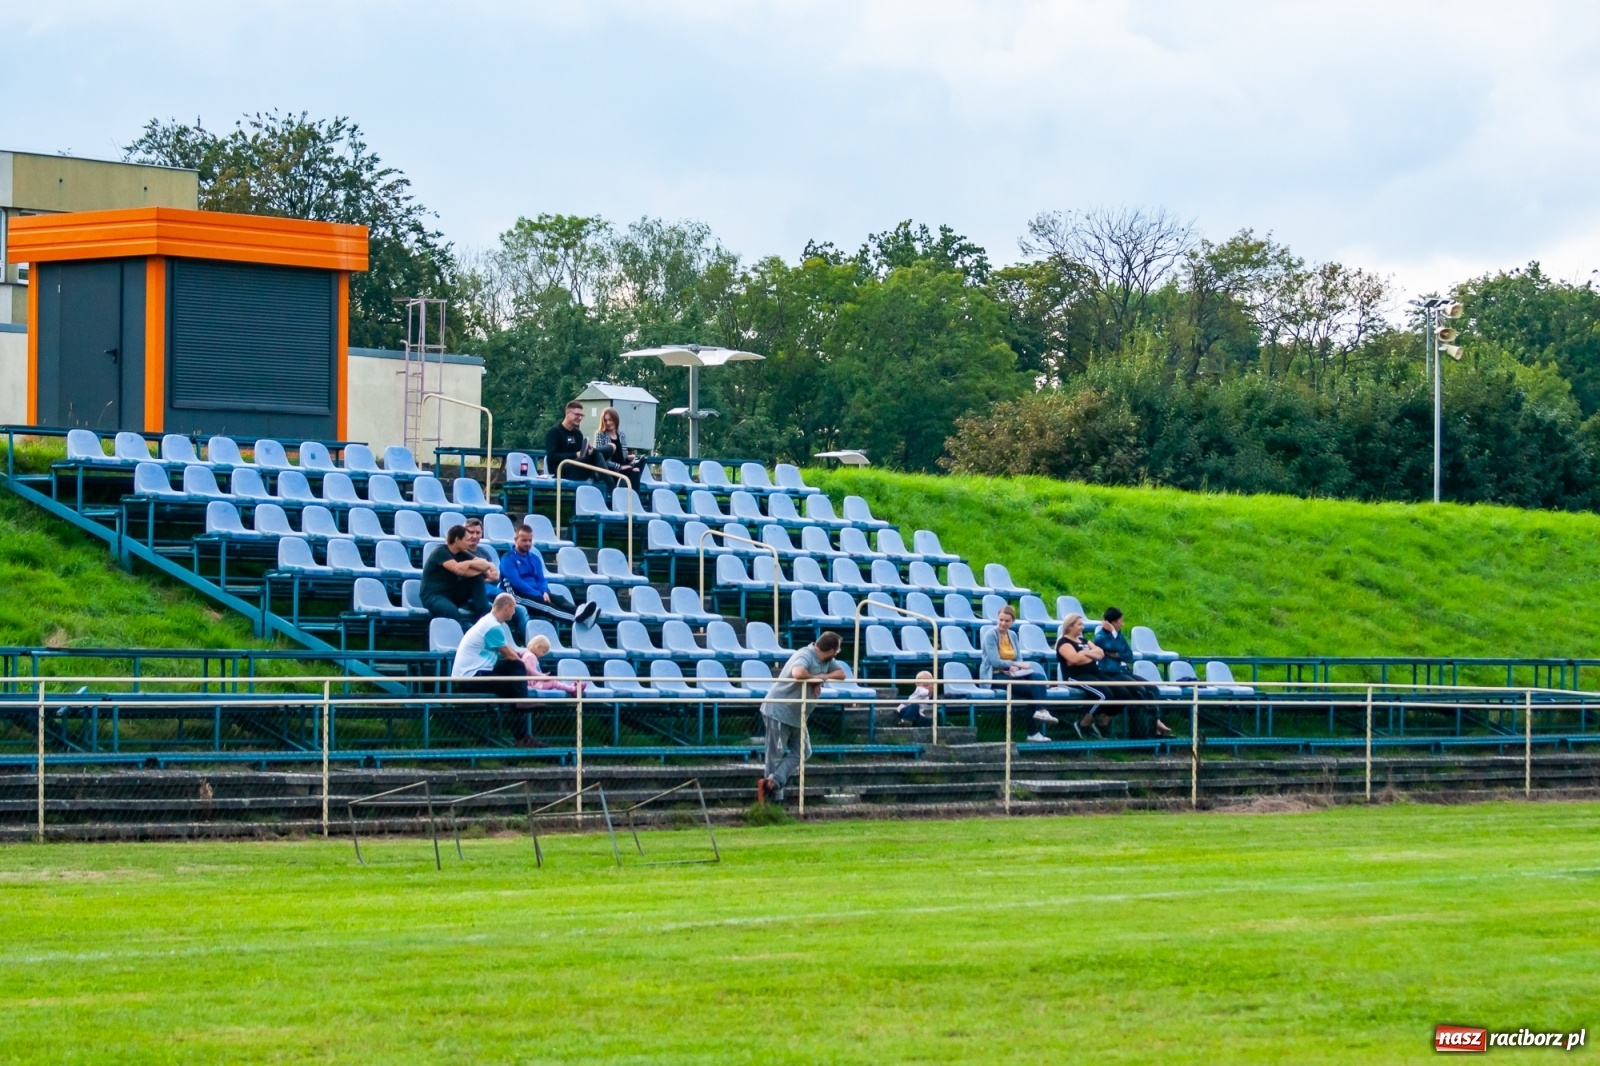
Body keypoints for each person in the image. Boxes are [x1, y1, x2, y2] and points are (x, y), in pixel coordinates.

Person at [757, 631, 845, 803]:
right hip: (779, 711)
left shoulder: (827, 661)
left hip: (798, 715)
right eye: (837, 651)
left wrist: (822, 677)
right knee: (775, 754)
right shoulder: (805, 654)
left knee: (804, 751)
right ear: (831, 650)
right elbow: (798, 672)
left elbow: (841, 674)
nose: (837, 654)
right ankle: (774, 799)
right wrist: (814, 679)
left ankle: (773, 782)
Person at [979, 604, 1058, 742]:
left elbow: (1018, 657)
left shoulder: (1013, 635)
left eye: (1007, 621)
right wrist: (1015, 664)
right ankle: (1034, 730)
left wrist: (1016, 667)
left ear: (1012, 622)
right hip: (995, 675)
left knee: (1038, 678)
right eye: (1001, 620)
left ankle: (1040, 713)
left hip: (1013, 674)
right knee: (1034, 691)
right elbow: (995, 661)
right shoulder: (990, 635)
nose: (1003, 623)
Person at [1093, 607, 1173, 738]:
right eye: (1120, 621)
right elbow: (1113, 647)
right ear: (1112, 623)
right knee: (1138, 690)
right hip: (1110, 672)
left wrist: (1115, 654)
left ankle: (1155, 722)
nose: (1122, 624)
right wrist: (1113, 635)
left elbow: (1128, 654)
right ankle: (1143, 730)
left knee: (1152, 688)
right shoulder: (1101, 636)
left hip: (1122, 670)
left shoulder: (1118, 635)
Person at [501, 524, 600, 627]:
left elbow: (541, 579)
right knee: (548, 606)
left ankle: (581, 612)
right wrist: (538, 594)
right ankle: (581, 620)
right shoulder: (507, 559)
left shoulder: (534, 558)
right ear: (515, 539)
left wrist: (544, 591)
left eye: (530, 540)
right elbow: (517, 583)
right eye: (524, 540)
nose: (528, 543)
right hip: (517, 596)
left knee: (559, 599)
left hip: (536, 593)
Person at [450, 593, 529, 710]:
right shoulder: (492, 627)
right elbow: (510, 656)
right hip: (471, 679)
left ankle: (522, 704)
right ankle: (522, 707)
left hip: (477, 675)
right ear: (507, 607)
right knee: (515, 673)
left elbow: (509, 649)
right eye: (514, 607)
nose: (514, 611)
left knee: (515, 671)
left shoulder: (488, 621)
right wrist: (531, 672)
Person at [462, 517, 528, 642]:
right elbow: (465, 577)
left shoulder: (484, 553)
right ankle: (505, 646)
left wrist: (479, 576)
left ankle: (531, 646)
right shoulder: (459, 553)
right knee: (496, 611)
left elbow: (495, 576)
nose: (474, 536)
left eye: (478, 532)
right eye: (471, 532)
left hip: (490, 591)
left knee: (520, 609)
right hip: (471, 596)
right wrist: (483, 574)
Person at [420, 525, 493, 625]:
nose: (469, 542)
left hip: (452, 593)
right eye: (467, 540)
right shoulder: (440, 552)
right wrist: (482, 571)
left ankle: (483, 611)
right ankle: (459, 637)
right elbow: (459, 570)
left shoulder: (462, 553)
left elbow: (485, 565)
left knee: (476, 578)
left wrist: (469, 563)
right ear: (457, 540)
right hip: (434, 595)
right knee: (452, 612)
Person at [1056, 613, 1110, 738]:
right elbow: (1074, 660)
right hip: (1076, 676)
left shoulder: (1084, 640)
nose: (1082, 627)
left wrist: (1083, 653)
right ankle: (1083, 723)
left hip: (1093, 673)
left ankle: (1091, 723)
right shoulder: (1064, 642)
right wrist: (1091, 655)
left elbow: (1101, 653)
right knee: (1103, 695)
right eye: (1079, 624)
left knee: (1115, 692)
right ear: (1070, 626)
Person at [591, 406, 644, 492]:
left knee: (637, 468)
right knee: (632, 472)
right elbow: (600, 458)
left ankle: (633, 500)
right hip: (610, 468)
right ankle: (623, 498)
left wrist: (629, 457)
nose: (608, 423)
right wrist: (620, 467)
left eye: (610, 420)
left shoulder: (621, 435)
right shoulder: (600, 435)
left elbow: (623, 455)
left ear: (616, 420)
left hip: (623, 465)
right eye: (605, 420)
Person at [544, 400, 592, 480]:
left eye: (581, 415)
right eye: (577, 414)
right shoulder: (554, 432)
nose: (579, 418)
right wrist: (575, 455)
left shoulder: (578, 434)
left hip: (576, 468)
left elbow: (581, 455)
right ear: (567, 413)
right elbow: (552, 457)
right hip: (560, 470)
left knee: (596, 455)